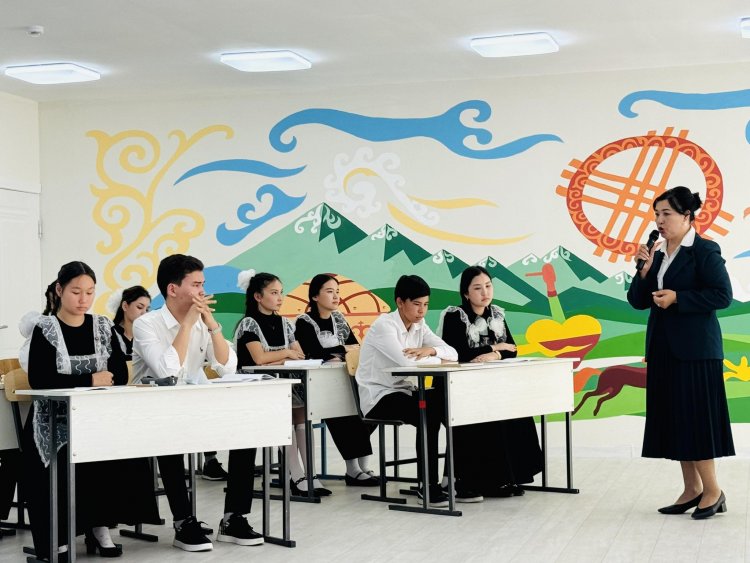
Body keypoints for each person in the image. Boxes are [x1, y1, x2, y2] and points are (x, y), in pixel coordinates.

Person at [21, 261, 160, 561]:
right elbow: (40, 379)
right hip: (52, 419)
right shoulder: (45, 329)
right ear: (59, 290)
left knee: (118, 454)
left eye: (90, 292)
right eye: (76, 292)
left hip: (94, 416)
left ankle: (100, 526)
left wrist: (99, 379)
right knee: (55, 464)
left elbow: (118, 374)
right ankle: (57, 539)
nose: (83, 299)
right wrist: (90, 379)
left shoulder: (102, 326)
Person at [132, 254, 263, 550]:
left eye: (203, 284)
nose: (203, 291)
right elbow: (167, 371)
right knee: (171, 438)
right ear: (172, 289)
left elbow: (227, 367)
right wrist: (187, 325)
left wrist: (212, 324)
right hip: (153, 412)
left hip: (194, 407)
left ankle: (234, 518)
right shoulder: (146, 324)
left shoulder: (203, 323)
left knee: (246, 432)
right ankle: (183, 522)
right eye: (196, 285)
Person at [627, 186, 734, 519]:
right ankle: (692, 489)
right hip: (663, 349)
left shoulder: (704, 250)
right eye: (656, 214)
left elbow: (722, 295)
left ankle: (713, 491)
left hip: (696, 351)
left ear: (687, 216)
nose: (659, 221)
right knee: (677, 420)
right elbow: (638, 301)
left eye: (667, 214)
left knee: (696, 420)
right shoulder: (658, 254)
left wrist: (679, 298)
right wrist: (644, 271)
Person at [438, 265, 543, 501]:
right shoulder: (455, 316)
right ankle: (477, 481)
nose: (485, 292)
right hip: (460, 386)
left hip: (491, 385)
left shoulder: (496, 314)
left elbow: (513, 349)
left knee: (517, 412)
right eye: (477, 288)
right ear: (466, 293)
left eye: (488, 286)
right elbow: (459, 353)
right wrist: (496, 347)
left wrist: (494, 355)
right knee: (484, 416)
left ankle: (506, 477)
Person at [355, 274, 457, 507]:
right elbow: (407, 363)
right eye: (417, 304)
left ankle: (451, 479)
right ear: (400, 302)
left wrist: (430, 351)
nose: (422, 310)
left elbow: (453, 353)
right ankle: (427, 486)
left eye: (426, 304)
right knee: (428, 414)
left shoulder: (420, 325)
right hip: (378, 396)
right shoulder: (384, 326)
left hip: (405, 391)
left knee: (450, 405)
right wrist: (437, 359)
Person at [233, 270, 331, 496]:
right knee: (284, 412)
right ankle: (296, 475)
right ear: (258, 296)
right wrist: (285, 354)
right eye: (274, 293)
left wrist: (282, 358)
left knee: (303, 412)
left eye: (281, 292)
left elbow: (300, 355)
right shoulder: (249, 324)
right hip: (256, 386)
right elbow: (259, 358)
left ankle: (311, 474)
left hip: (283, 382)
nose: (280, 298)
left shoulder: (285, 323)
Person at [294, 273, 378, 486]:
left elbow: (355, 348)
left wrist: (337, 352)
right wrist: (341, 350)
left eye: (337, 292)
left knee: (368, 407)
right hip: (318, 384)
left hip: (345, 379)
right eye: (329, 291)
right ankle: (352, 469)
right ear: (315, 296)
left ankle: (363, 466)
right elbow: (313, 353)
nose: (335, 296)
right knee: (342, 412)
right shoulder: (304, 322)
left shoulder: (339, 318)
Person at [108, 285, 151, 360]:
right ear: (125, 306)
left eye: (147, 310)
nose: (144, 313)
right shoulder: (109, 335)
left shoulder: (147, 338)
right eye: (140, 307)